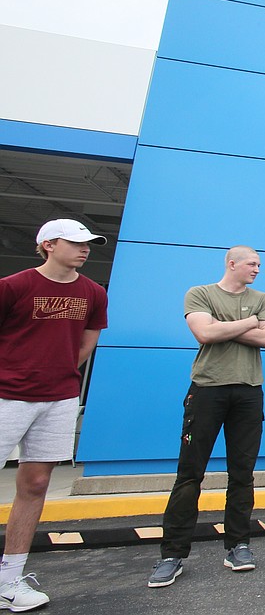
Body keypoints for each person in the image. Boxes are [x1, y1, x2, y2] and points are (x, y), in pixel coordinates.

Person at [149, 246, 265, 588]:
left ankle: (238, 545)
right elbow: (204, 334)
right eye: (252, 264)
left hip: (249, 392)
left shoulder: (263, 298)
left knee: (242, 473)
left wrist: (225, 325)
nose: (257, 270)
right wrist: (248, 322)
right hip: (207, 390)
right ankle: (172, 554)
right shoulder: (200, 293)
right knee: (190, 474)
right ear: (231, 263)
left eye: (260, 265)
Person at [1, 219, 108, 611]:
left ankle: (10, 579)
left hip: (59, 397)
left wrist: (56, 373)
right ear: (47, 244)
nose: (85, 249)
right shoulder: (13, 286)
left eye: (89, 243)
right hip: (6, 396)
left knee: (36, 482)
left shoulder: (93, 292)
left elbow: (86, 344)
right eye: (76, 242)